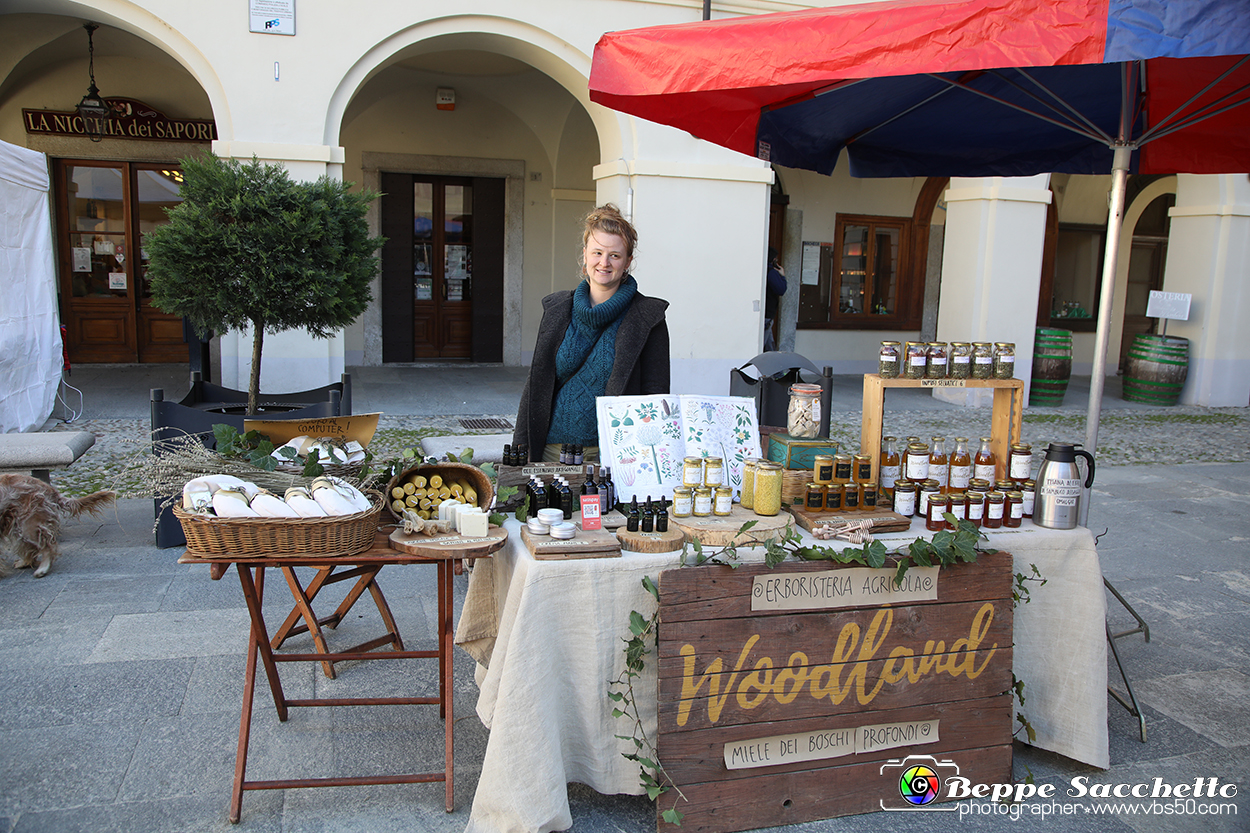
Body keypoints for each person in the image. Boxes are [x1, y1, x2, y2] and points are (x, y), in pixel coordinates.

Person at [513, 204, 670, 462]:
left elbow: (655, 395)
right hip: (552, 452)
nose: (604, 263)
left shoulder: (647, 318)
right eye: (597, 252)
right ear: (584, 255)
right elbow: (535, 386)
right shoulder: (556, 310)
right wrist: (520, 450)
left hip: (614, 456)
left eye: (615, 256)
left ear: (628, 261)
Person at [764, 247, 787, 351]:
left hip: (765, 313)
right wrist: (782, 276)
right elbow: (781, 290)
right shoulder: (772, 273)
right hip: (768, 314)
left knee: (769, 345)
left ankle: (773, 364)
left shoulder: (761, 269)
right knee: (764, 344)